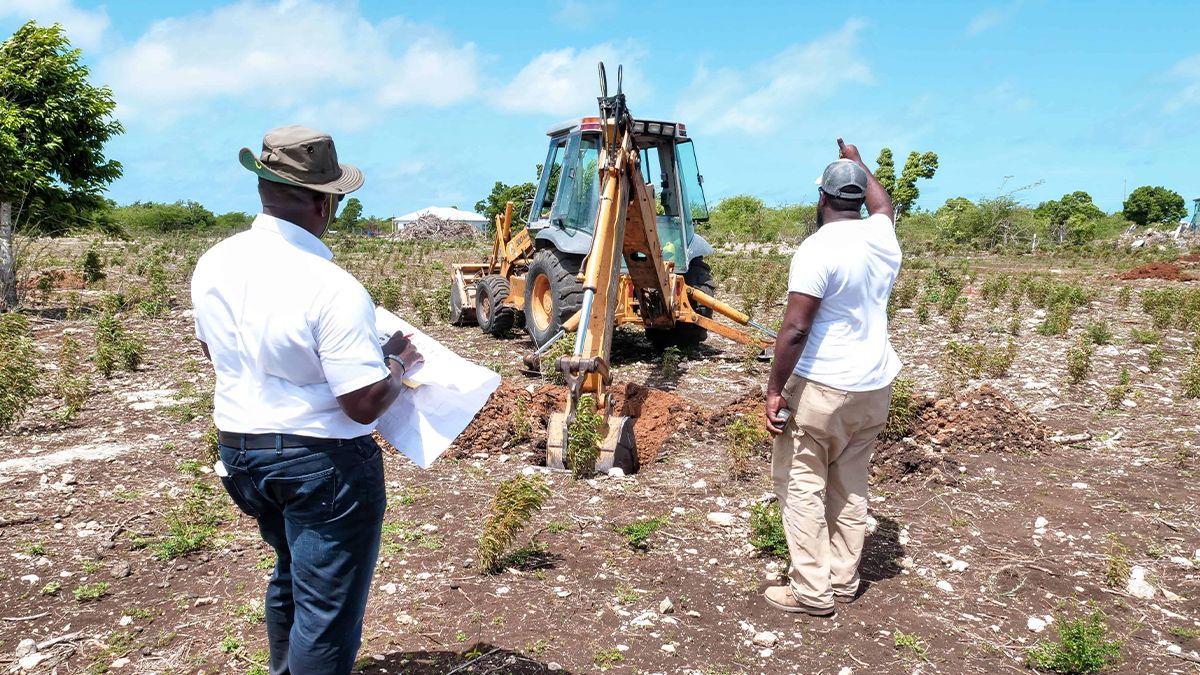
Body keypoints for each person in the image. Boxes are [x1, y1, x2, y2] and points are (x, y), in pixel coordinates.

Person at [191, 125, 422, 674]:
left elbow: (213, 349)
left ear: (263, 189)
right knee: (326, 609)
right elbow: (362, 405)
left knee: (291, 575)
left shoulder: (214, 262)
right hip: (321, 462)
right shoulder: (331, 285)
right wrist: (395, 364)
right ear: (325, 202)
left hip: (243, 450)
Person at [761, 139, 901, 617]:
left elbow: (796, 327)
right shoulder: (883, 235)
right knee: (851, 484)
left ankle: (811, 592)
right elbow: (883, 203)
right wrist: (859, 166)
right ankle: (843, 580)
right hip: (874, 385)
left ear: (821, 196)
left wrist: (775, 389)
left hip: (822, 387)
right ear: (859, 199)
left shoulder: (817, 250)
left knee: (801, 485)